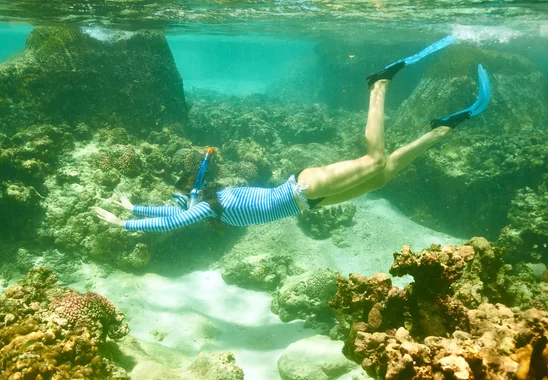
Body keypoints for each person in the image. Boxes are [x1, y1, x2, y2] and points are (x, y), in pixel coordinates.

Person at [95, 35, 491, 232]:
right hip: (310, 202)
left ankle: (379, 84)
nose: (182, 201)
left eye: (183, 196)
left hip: (304, 188)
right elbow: (172, 211)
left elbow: (172, 222)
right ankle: (442, 130)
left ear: (195, 195)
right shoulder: (202, 200)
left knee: (375, 160)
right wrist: (133, 208)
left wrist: (122, 225)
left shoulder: (209, 206)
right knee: (384, 175)